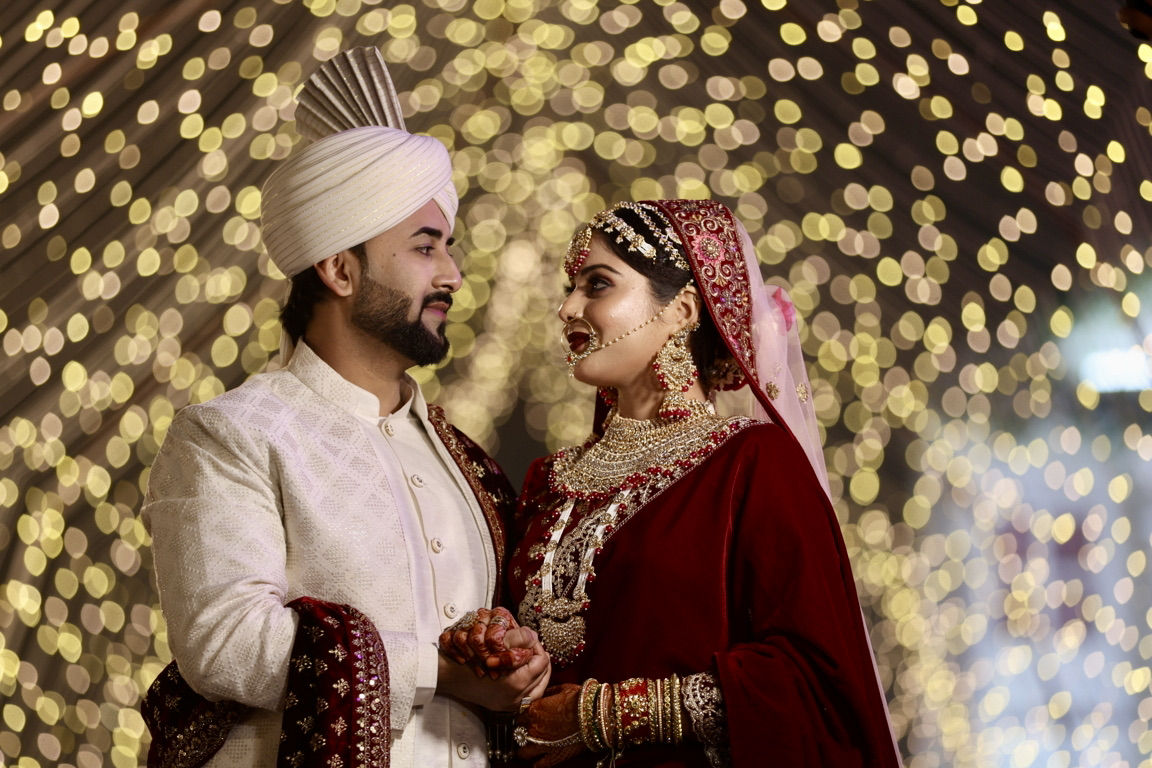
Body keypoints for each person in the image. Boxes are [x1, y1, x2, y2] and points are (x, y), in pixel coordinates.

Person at [140, 48, 549, 768]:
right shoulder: (233, 434)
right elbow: (226, 643)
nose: (452, 274)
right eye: (426, 248)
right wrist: (438, 675)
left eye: (447, 248)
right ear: (338, 268)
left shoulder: (464, 463)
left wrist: (515, 658)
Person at [442, 199, 902, 767]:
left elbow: (816, 678)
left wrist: (605, 715)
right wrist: (497, 643)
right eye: (571, 287)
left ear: (683, 310)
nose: (567, 308)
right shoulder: (547, 481)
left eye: (598, 285)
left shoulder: (752, 464)